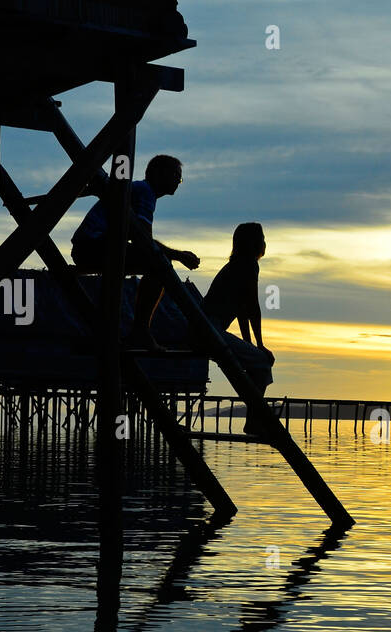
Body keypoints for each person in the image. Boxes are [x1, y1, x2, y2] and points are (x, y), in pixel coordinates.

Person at [70, 154, 200, 352]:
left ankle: (128, 328)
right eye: (176, 176)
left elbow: (141, 239)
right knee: (159, 265)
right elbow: (145, 243)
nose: (178, 182)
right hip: (94, 247)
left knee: (155, 261)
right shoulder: (145, 192)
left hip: (91, 248)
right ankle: (140, 331)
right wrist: (179, 255)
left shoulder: (140, 191)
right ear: (159, 173)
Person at [202, 222, 276, 435]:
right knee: (262, 363)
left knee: (257, 363)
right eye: (262, 238)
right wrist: (259, 346)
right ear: (254, 243)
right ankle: (253, 419)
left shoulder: (236, 265)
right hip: (210, 330)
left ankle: (253, 417)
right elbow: (252, 306)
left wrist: (250, 344)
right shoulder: (249, 265)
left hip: (210, 330)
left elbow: (243, 310)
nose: (264, 242)